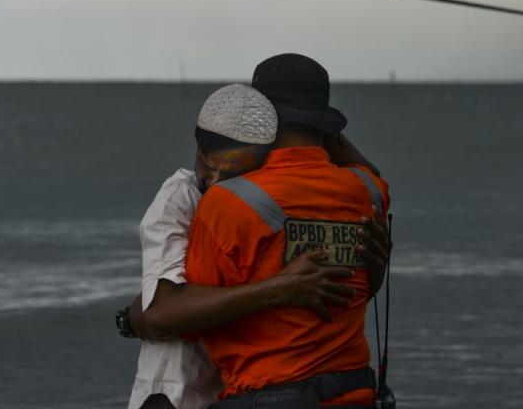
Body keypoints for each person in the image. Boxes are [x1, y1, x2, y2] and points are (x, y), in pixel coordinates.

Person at [123, 84, 390, 409]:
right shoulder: (182, 198)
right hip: (174, 389)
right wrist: (279, 288)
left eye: (232, 173)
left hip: (234, 390)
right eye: (210, 167)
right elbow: (159, 315)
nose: (217, 179)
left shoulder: (253, 200)